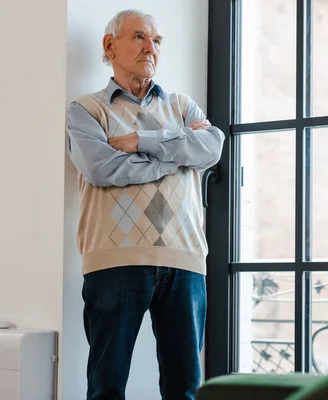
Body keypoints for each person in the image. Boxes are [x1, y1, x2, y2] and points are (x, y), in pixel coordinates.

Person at [66, 9, 224, 400]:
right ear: (110, 45)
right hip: (113, 260)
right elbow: (102, 168)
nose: (150, 47)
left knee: (184, 388)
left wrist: (143, 142)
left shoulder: (183, 106)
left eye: (156, 40)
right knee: (107, 386)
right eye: (139, 37)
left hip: (184, 259)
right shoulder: (87, 110)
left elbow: (211, 147)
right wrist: (176, 155)